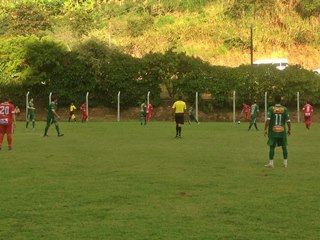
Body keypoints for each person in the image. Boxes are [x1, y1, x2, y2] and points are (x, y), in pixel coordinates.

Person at [264, 95, 291, 168]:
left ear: (274, 100)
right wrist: (289, 129)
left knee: (272, 147)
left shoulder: (271, 108)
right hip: (282, 131)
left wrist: (265, 129)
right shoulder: (284, 109)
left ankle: (271, 163)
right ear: (280, 101)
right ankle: (285, 163)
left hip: (273, 131)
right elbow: (288, 121)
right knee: (284, 146)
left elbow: (268, 120)